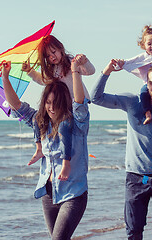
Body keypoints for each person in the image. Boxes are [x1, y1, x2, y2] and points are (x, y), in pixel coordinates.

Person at [91, 62, 152, 240]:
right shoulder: (132, 102)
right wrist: (107, 71)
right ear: (146, 84)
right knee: (134, 231)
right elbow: (95, 98)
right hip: (135, 177)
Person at [1, 55, 90, 239]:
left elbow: (80, 103)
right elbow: (16, 106)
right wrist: (5, 77)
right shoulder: (40, 122)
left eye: (55, 103)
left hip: (73, 194)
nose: (51, 108)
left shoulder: (77, 124)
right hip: (48, 194)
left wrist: (75, 72)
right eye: (48, 103)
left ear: (64, 102)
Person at [22, 35, 95, 170]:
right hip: (62, 106)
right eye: (48, 56)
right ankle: (39, 148)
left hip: (78, 106)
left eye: (54, 52)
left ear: (61, 48)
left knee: (64, 127)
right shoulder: (51, 70)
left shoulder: (71, 61)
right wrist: (30, 71)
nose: (52, 57)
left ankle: (66, 161)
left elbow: (90, 71)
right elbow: (42, 80)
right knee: (37, 118)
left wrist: (84, 61)